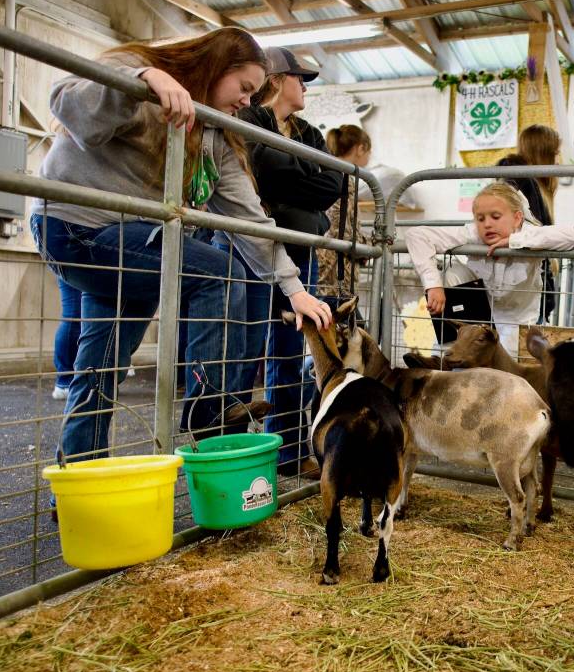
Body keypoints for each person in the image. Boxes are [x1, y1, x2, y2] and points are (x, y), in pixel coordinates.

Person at [30, 28, 332, 461]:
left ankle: (78, 480)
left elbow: (250, 220)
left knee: (101, 369)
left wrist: (294, 289)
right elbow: (67, 102)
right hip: (76, 226)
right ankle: (208, 412)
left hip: (134, 244)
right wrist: (144, 80)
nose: (249, 100)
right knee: (219, 272)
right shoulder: (141, 76)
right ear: (214, 67)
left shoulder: (214, 136)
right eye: (244, 87)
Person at [236, 46, 344, 478]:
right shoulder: (251, 119)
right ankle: (242, 452)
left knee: (289, 349)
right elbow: (263, 167)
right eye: (301, 78)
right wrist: (303, 178)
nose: (305, 87)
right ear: (278, 79)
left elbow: (331, 184)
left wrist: (290, 181)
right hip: (251, 245)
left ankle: (286, 453)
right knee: (243, 348)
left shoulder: (309, 133)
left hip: (298, 249)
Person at [407, 181, 574, 355]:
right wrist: (433, 285)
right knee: (451, 274)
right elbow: (416, 235)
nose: (487, 224)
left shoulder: (529, 233)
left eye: (495, 217)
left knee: (503, 365)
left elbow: (572, 236)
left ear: (517, 218)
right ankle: (444, 354)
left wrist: (513, 242)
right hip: (477, 318)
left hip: (516, 324)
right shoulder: (474, 232)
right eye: (480, 218)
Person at [497, 124, 562, 322]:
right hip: (524, 298)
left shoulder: (529, 185)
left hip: (525, 294)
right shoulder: (523, 181)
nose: (559, 160)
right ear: (545, 153)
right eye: (556, 153)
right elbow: (532, 233)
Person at [319, 124, 373, 303]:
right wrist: (372, 245)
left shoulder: (331, 172)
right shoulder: (342, 178)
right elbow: (340, 232)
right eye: (369, 151)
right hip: (334, 276)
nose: (369, 157)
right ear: (360, 148)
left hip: (330, 272)